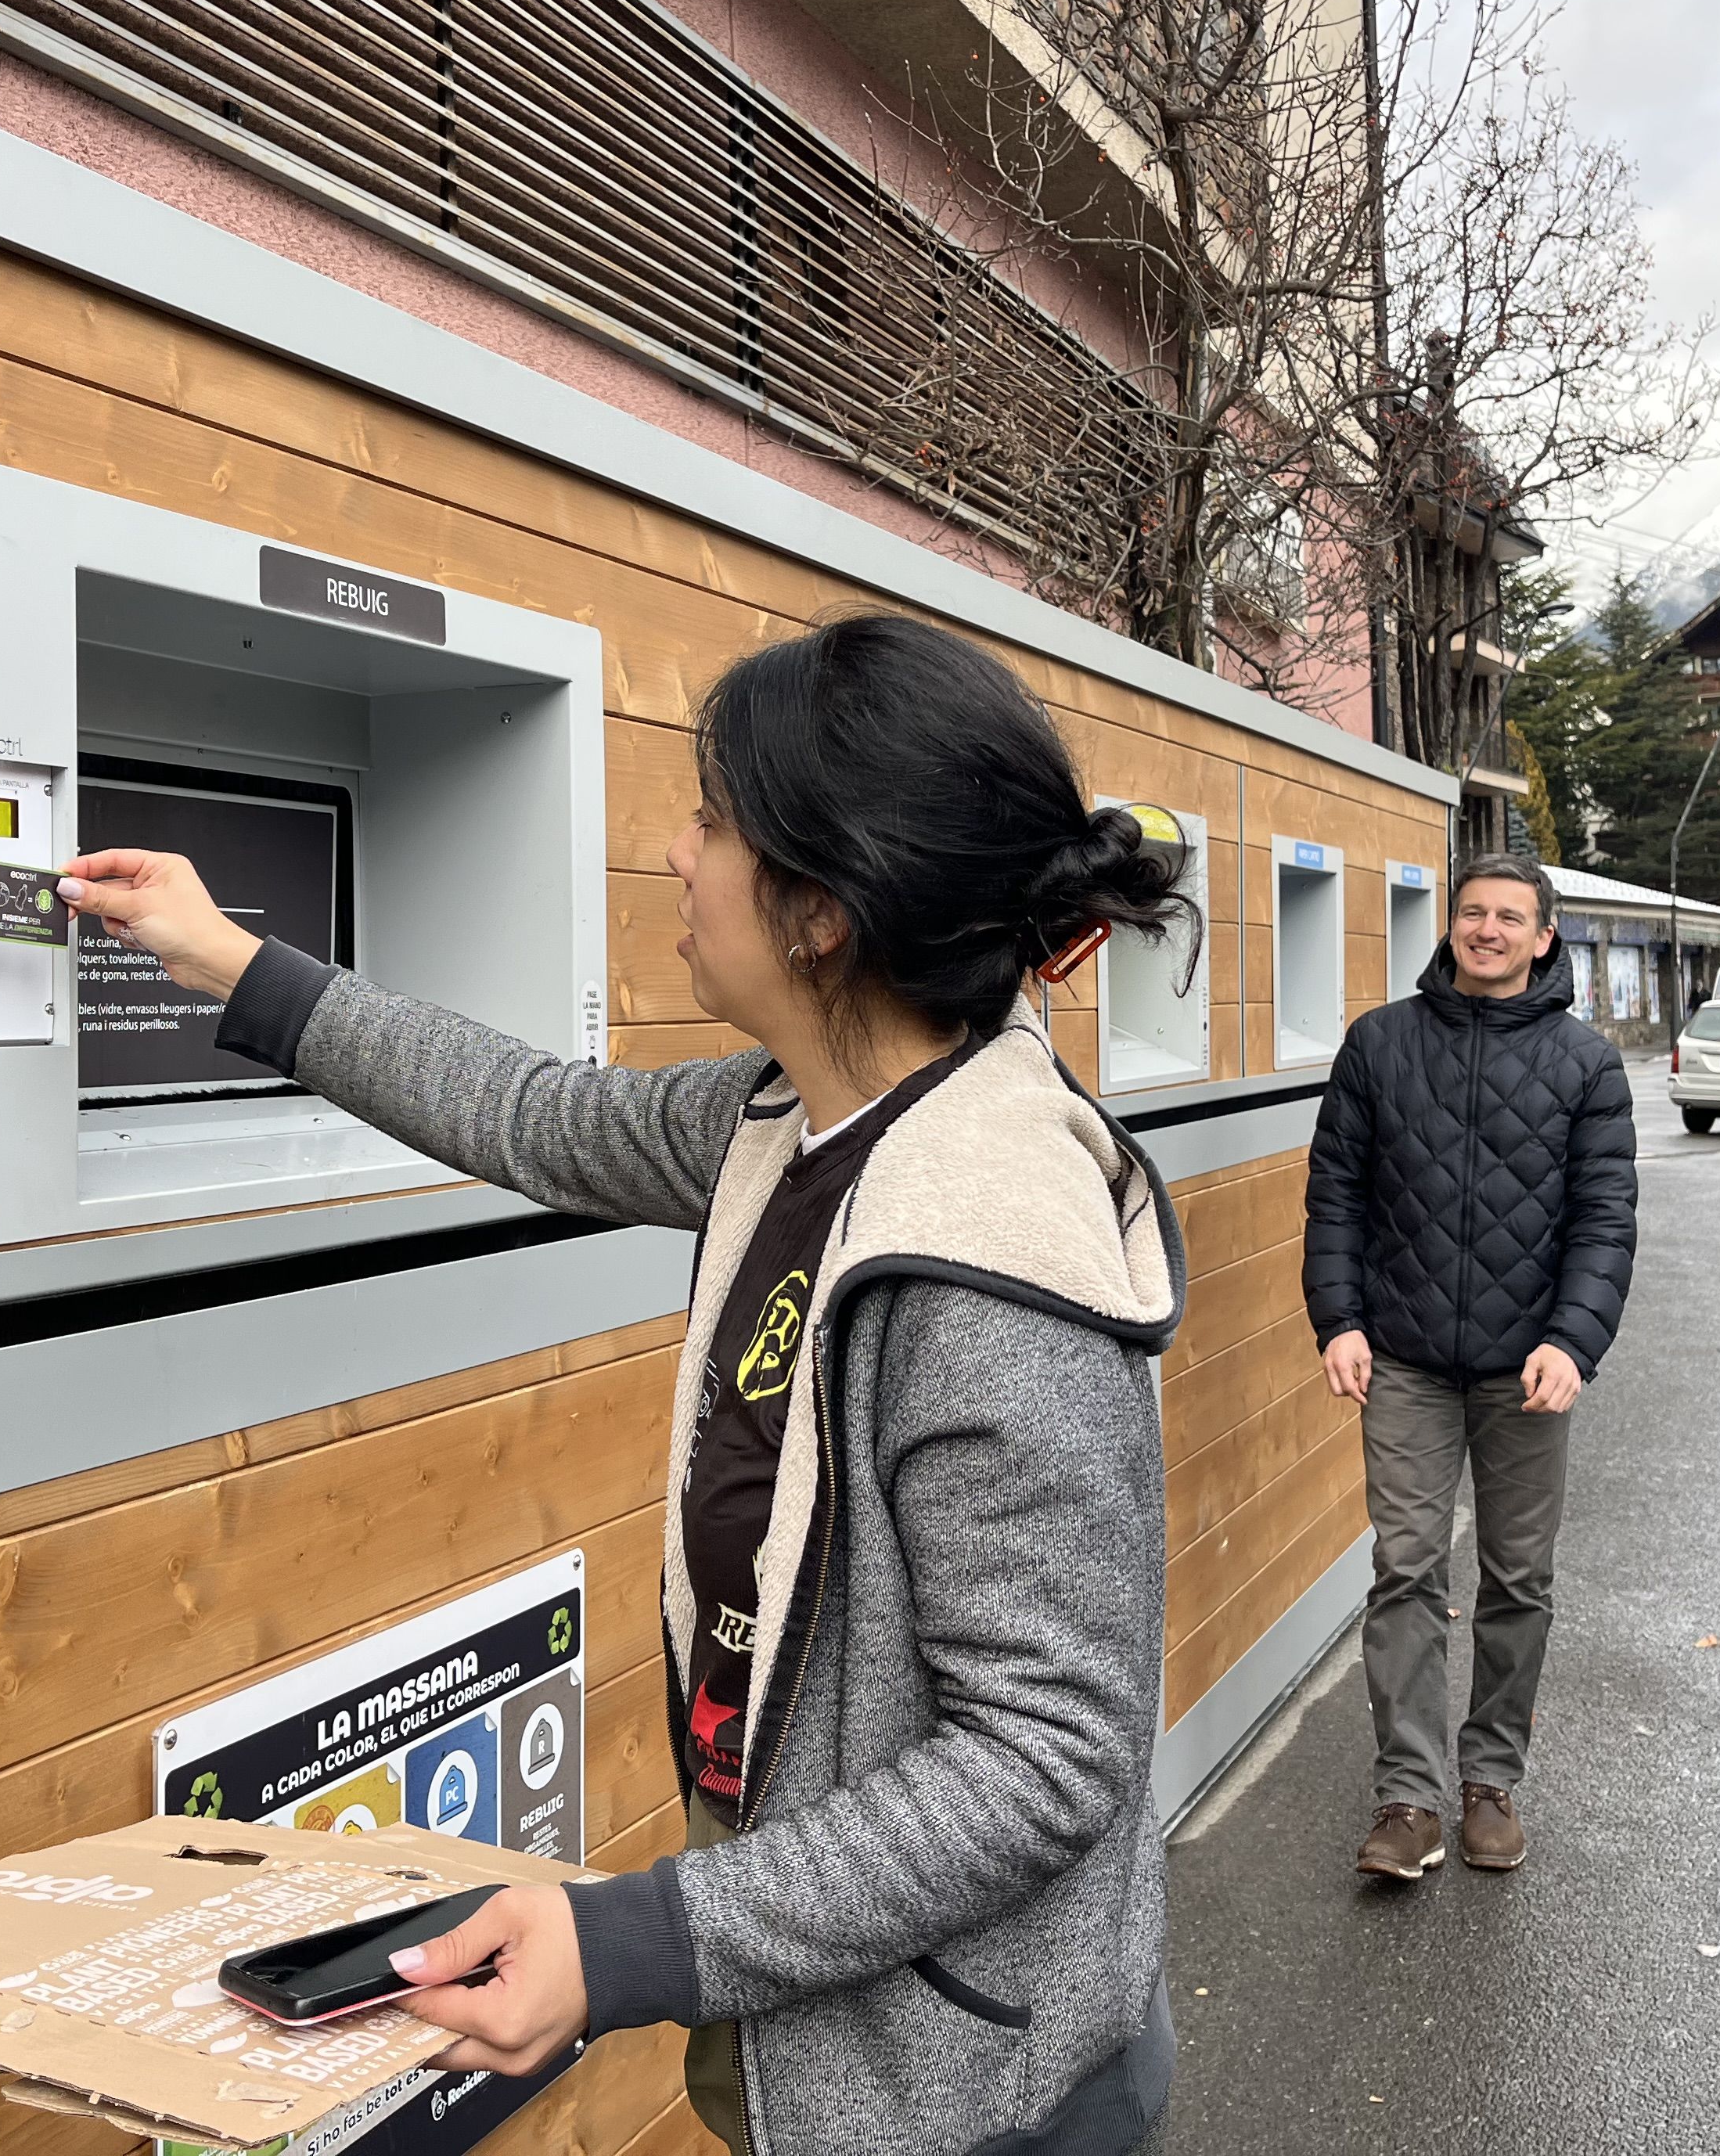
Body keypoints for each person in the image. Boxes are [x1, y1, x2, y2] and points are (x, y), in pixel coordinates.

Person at [62, 614, 1187, 2156]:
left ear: (819, 909)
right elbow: (537, 1114)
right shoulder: (791, 1119)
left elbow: (1047, 1755)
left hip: (972, 2089)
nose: (674, 852)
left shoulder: (990, 1255)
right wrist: (237, 963)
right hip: (821, 2010)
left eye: (714, 821)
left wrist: (635, 1942)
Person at [1302, 852, 1638, 1880]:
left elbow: (1605, 1222)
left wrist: (1572, 1339)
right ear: (1452, 927)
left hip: (1527, 1368)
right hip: (1400, 1359)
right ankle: (1408, 1800)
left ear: (1545, 938)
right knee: (1405, 1569)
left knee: (1517, 1578)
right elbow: (1336, 1198)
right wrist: (1338, 1319)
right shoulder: (1379, 1045)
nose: (1486, 929)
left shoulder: (1587, 1064)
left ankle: (1490, 1779)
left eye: (1509, 917)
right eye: (1471, 913)